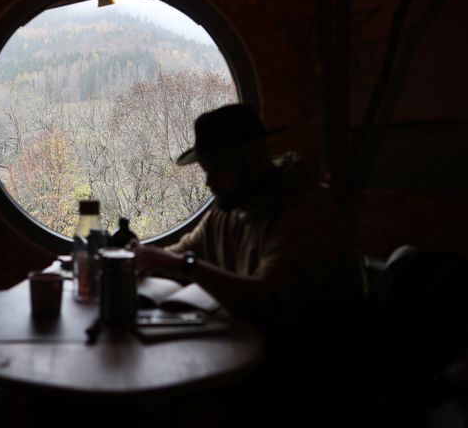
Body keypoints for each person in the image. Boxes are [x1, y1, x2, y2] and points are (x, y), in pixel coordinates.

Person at [132, 103, 368, 425]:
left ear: (252, 160)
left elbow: (270, 302)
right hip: (260, 360)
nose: (208, 183)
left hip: (308, 382)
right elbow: (182, 252)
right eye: (206, 170)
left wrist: (184, 266)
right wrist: (134, 259)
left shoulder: (305, 213)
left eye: (217, 170)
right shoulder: (228, 209)